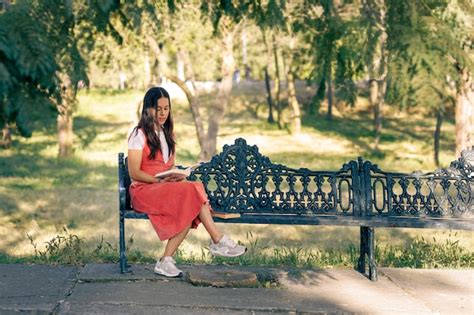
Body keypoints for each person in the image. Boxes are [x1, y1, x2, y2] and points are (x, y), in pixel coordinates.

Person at [127, 86, 246, 277]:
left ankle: (166, 261)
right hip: (144, 191)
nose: (163, 113)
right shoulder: (138, 135)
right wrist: (159, 182)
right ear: (148, 109)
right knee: (193, 193)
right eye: (158, 108)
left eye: (167, 108)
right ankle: (217, 240)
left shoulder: (168, 135)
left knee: (192, 198)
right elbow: (134, 173)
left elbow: (167, 169)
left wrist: (177, 175)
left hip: (163, 189)